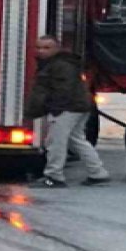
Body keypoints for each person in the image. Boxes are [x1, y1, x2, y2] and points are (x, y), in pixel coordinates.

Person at [25, 36, 110, 188]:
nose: (41, 51)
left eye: (46, 48)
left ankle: (54, 176)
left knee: (56, 141)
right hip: (78, 107)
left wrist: (54, 109)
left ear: (57, 49)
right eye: (38, 47)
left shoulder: (59, 65)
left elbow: (63, 90)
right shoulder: (62, 63)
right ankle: (98, 173)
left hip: (66, 108)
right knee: (76, 140)